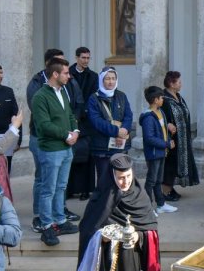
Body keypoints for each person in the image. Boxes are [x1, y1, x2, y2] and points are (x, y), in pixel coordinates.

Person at [31, 57, 81, 246]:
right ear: (55, 74)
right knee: (48, 189)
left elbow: (70, 115)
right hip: (51, 149)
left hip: (66, 147)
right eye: (66, 73)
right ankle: (46, 225)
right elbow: (43, 126)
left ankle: (60, 220)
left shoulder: (63, 91)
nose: (69, 76)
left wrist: (75, 131)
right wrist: (66, 135)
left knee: (61, 187)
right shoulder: (40, 96)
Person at [85, 67, 132, 195]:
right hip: (102, 147)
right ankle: (103, 210)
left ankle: (119, 209)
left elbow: (128, 115)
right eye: (107, 79)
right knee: (104, 181)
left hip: (120, 146)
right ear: (102, 80)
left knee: (122, 180)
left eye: (113, 78)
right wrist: (116, 131)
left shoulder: (121, 96)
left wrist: (124, 129)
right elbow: (96, 121)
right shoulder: (94, 99)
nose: (110, 82)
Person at [158, 71, 199, 203]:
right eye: (179, 82)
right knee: (170, 164)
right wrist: (167, 123)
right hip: (171, 138)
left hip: (182, 138)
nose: (181, 84)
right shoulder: (163, 99)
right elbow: (158, 115)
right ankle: (164, 190)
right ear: (171, 83)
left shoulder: (178, 96)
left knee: (178, 164)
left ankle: (169, 188)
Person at [67, 47, 100, 200]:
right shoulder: (68, 74)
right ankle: (70, 190)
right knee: (70, 155)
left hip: (86, 121)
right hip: (69, 118)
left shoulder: (93, 76)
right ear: (76, 58)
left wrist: (84, 112)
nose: (86, 61)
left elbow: (93, 97)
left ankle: (86, 189)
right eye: (83, 58)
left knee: (87, 157)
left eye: (88, 58)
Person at [140, 86, 177, 214]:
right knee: (151, 181)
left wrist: (168, 128)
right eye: (161, 98)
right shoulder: (148, 117)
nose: (163, 100)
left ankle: (161, 204)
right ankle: (147, 208)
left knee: (158, 180)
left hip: (161, 152)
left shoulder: (160, 112)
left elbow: (160, 129)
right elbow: (149, 138)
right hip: (154, 153)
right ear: (155, 100)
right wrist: (166, 144)